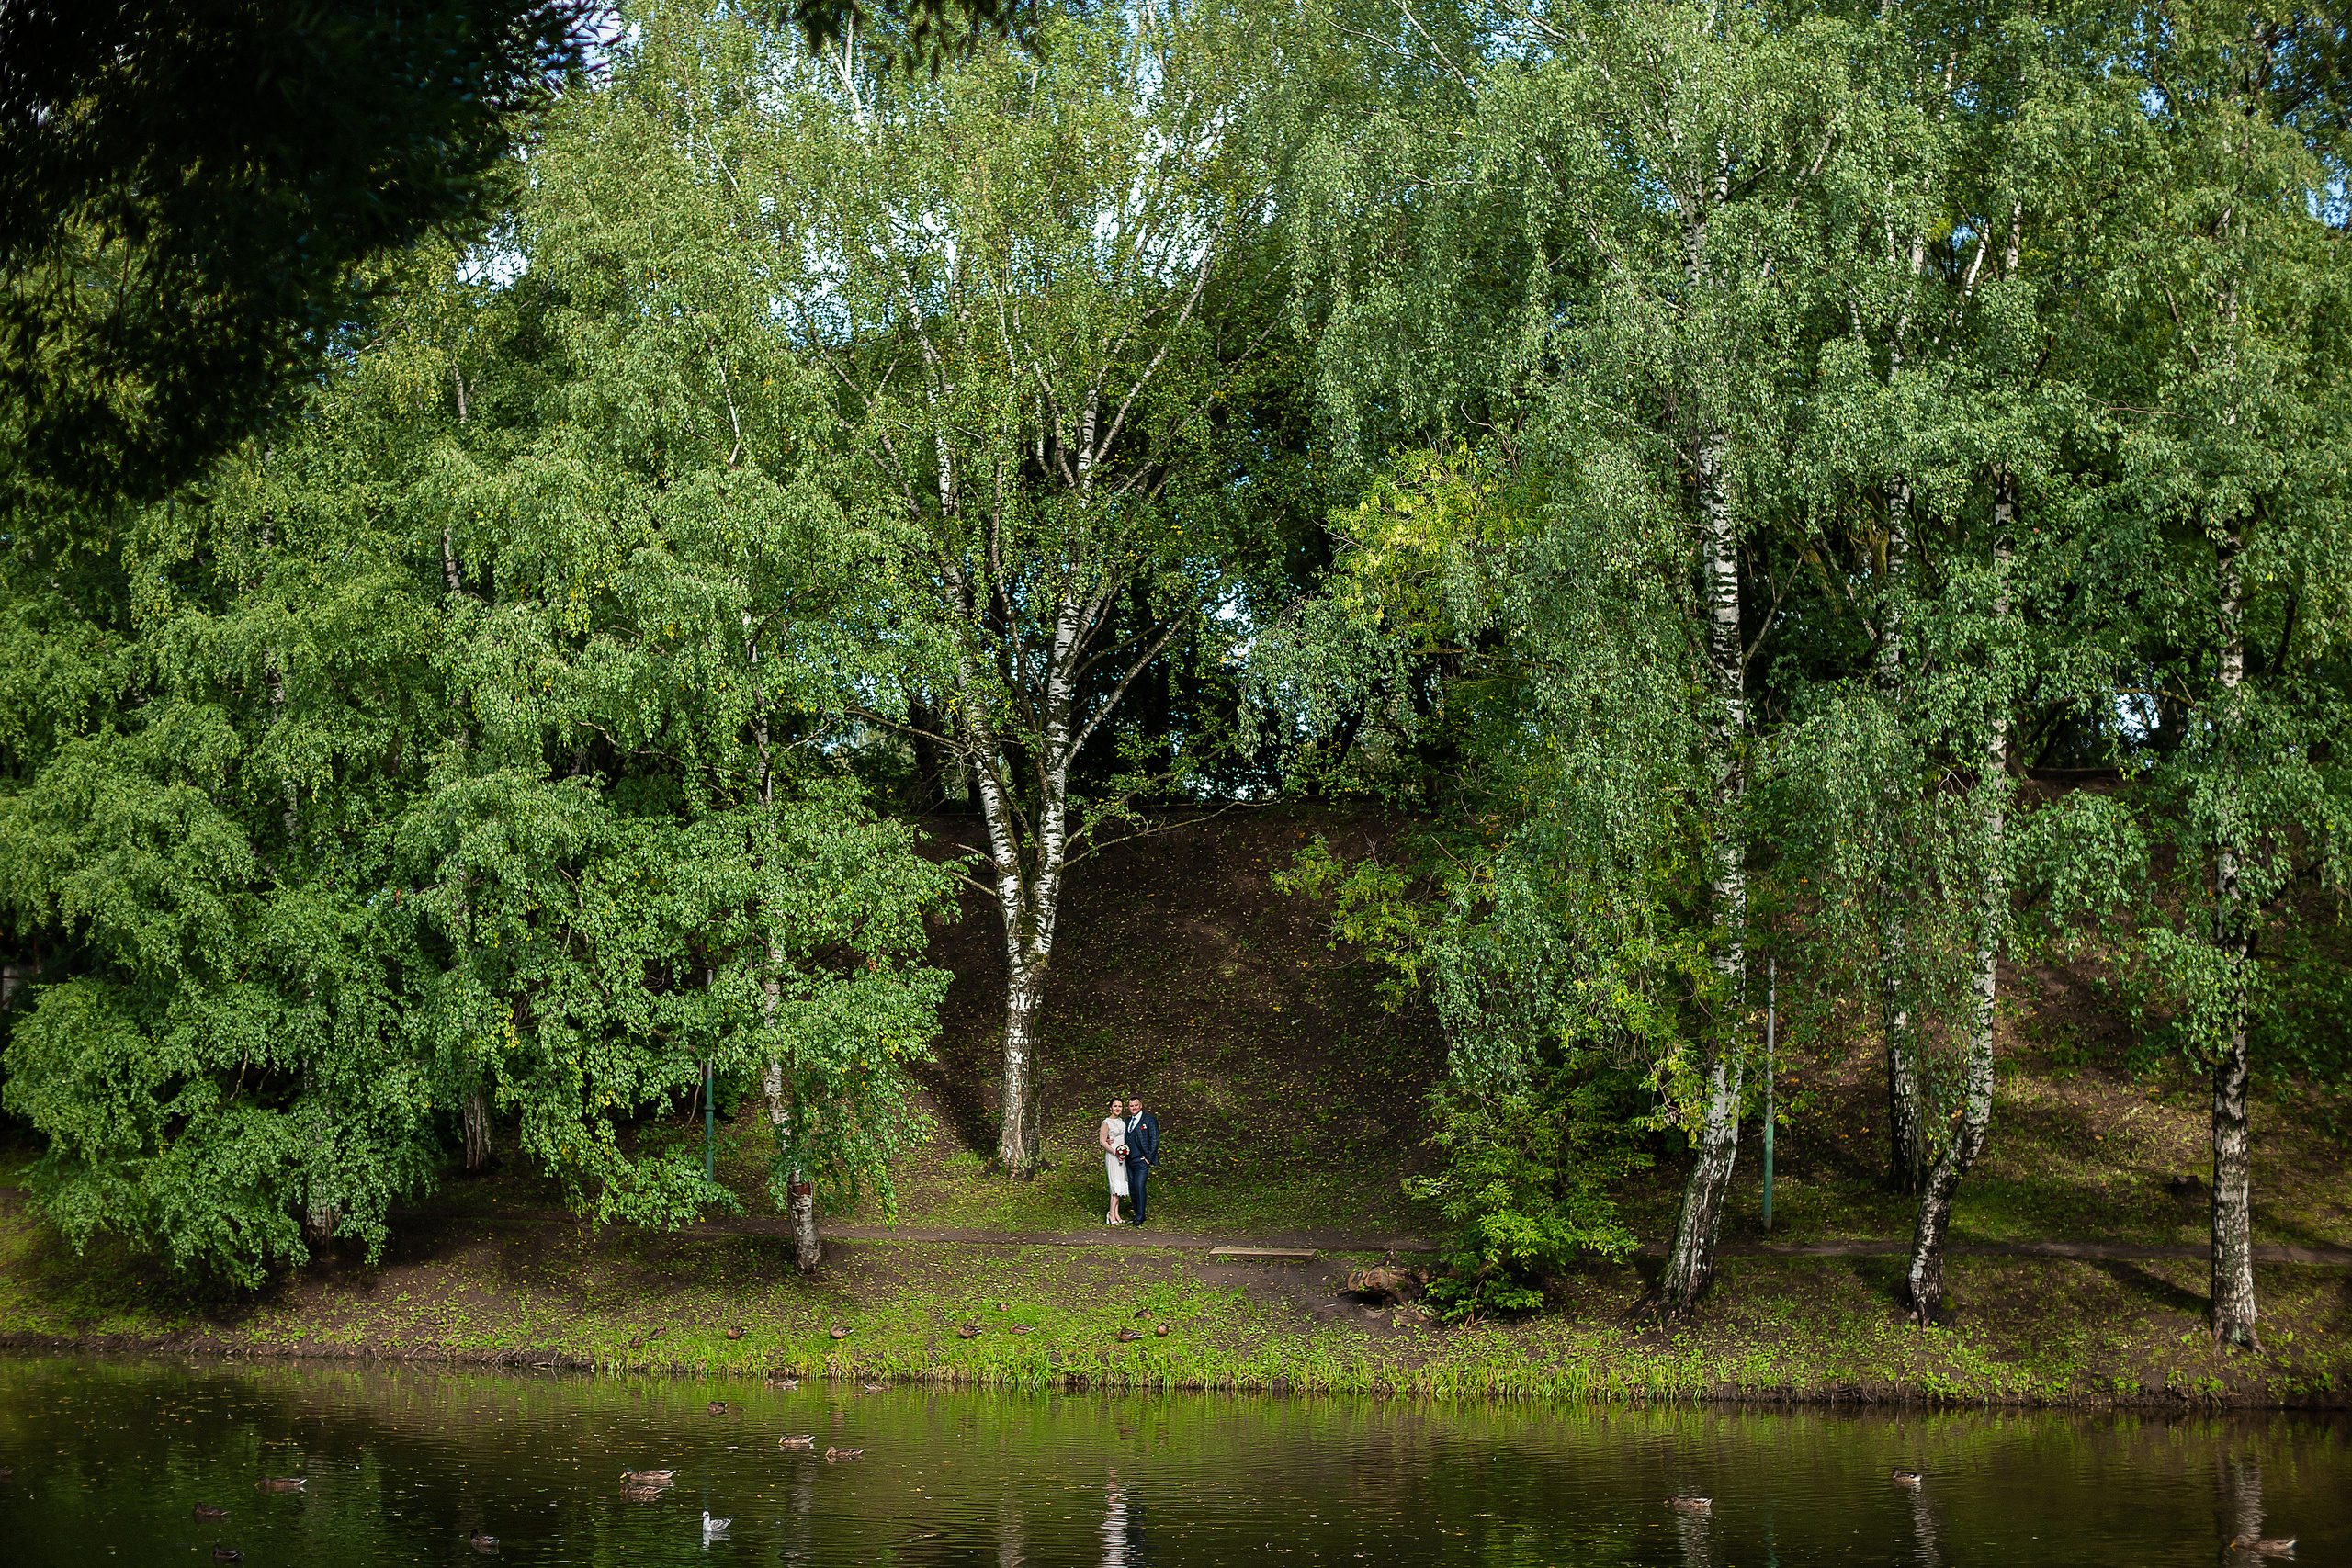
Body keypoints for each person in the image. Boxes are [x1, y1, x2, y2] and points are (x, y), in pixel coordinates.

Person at [1124, 1097, 1160, 1226]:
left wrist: (1148, 1158)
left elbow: (1154, 1139)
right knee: (1132, 1188)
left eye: (1136, 1105)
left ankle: (1141, 1216)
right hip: (1129, 1160)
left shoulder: (1149, 1120)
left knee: (1139, 1186)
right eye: (1131, 1106)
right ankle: (1136, 1214)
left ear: (1141, 1106)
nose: (1133, 1108)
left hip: (1141, 1160)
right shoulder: (1127, 1121)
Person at [1098, 1100, 1131, 1224]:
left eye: (1120, 1106)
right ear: (1110, 1108)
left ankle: (1116, 1213)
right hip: (1113, 1155)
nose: (1118, 1108)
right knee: (1115, 1185)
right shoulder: (1106, 1122)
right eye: (1115, 1106)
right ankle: (1110, 1214)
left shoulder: (1121, 1121)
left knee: (1121, 1184)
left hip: (1122, 1155)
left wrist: (1123, 1151)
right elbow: (1102, 1141)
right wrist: (1114, 1152)